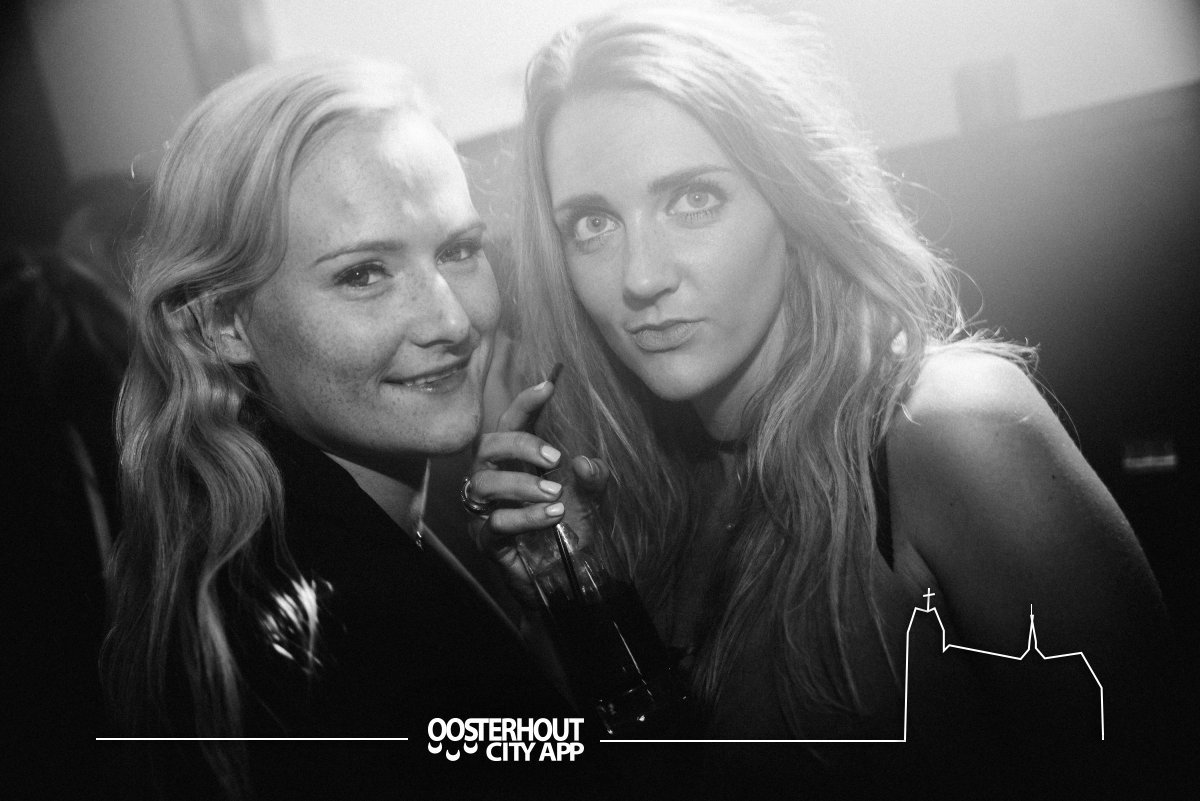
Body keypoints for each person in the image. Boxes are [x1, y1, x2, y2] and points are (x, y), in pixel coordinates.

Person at [465, 4, 1172, 794]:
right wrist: (575, 600)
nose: (641, 276)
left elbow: (1150, 759)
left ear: (792, 200)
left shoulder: (947, 431)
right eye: (593, 222)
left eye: (694, 199)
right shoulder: (649, 495)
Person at [101, 57, 578, 800]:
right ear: (223, 323)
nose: (452, 320)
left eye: (458, 250)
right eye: (363, 274)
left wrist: (554, 609)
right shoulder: (331, 630)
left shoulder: (301, 544)